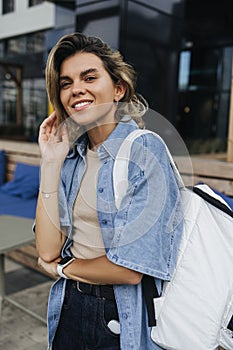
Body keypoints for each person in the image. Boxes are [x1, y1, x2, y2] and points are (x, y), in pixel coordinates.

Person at [35, 32, 183, 350]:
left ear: (118, 89)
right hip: (69, 306)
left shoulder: (145, 151)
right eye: (65, 83)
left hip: (121, 315)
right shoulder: (70, 156)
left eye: (89, 77)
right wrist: (50, 164)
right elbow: (47, 249)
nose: (77, 89)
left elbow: (130, 270)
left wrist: (62, 268)